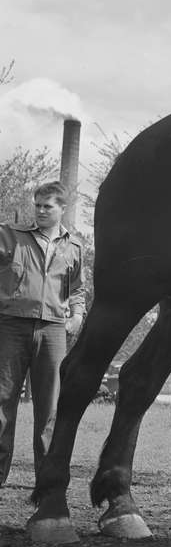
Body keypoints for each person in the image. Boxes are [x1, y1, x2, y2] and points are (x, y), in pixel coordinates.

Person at [0, 181, 84, 488]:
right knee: (2, 403)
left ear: (62, 209)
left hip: (52, 332)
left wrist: (76, 316)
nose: (41, 210)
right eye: (37, 205)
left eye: (48, 206)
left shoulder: (73, 246)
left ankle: (46, 482)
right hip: (10, 326)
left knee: (49, 409)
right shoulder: (9, 235)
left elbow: (77, 289)